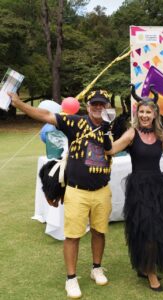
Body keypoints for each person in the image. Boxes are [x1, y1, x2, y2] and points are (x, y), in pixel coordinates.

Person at [9, 90, 114, 298]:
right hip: (77, 191)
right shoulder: (75, 122)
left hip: (102, 190)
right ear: (88, 105)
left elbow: (117, 145)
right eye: (95, 103)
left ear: (107, 106)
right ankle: (71, 279)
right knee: (73, 236)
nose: (98, 107)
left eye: (102, 104)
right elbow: (46, 116)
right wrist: (19, 104)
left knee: (99, 232)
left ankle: (96, 268)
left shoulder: (110, 126)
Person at [103, 94, 163, 292]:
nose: (144, 115)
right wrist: (106, 132)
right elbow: (111, 150)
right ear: (137, 113)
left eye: (148, 112)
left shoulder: (160, 135)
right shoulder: (132, 133)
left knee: (157, 229)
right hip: (139, 189)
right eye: (141, 111)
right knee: (145, 230)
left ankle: (146, 266)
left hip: (157, 188)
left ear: (155, 114)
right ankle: (150, 272)